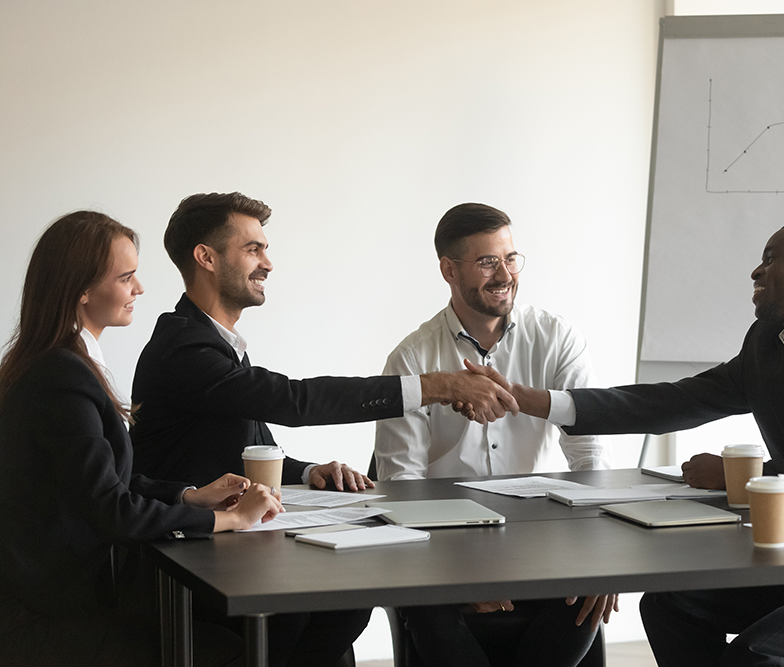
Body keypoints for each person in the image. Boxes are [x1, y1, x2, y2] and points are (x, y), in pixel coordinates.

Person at [464, 221, 784, 667]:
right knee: (669, 605)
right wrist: (536, 401)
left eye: (772, 259)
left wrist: (736, 474)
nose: (756, 272)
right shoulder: (767, 346)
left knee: (756, 654)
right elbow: (672, 401)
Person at [129, 192, 517, 667]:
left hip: (232, 544)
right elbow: (296, 401)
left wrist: (309, 470)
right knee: (341, 596)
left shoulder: (215, 343)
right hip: (188, 560)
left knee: (351, 592)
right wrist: (434, 386)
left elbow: (250, 451)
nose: (268, 263)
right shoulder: (184, 349)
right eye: (253, 249)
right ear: (206, 257)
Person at [0, 211, 283, 667]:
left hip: (66, 597)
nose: (140, 289)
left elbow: (105, 483)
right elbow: (112, 509)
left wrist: (192, 496)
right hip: (48, 616)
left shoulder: (64, 364)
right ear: (82, 290)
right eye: (126, 277)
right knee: (229, 648)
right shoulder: (61, 376)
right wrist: (232, 521)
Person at [374, 202, 613, 667]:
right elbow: (401, 486)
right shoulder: (410, 359)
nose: (504, 274)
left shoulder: (558, 339)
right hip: (444, 548)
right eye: (486, 262)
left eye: (510, 258)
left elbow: (591, 454)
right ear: (448, 269)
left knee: (588, 598)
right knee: (427, 608)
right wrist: (462, 577)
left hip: (545, 542)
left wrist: (603, 555)